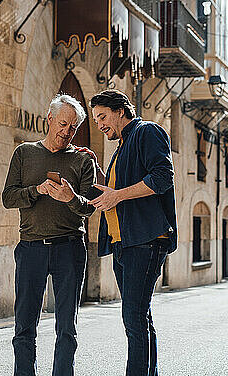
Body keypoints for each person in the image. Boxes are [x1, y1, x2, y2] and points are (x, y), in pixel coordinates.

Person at [2, 94, 96, 376]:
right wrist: (37, 191)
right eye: (63, 124)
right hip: (31, 248)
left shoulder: (82, 160)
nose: (66, 132)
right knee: (24, 325)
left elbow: (90, 208)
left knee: (67, 326)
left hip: (70, 248)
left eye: (73, 128)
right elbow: (8, 198)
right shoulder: (24, 153)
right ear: (50, 119)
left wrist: (70, 197)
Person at [88, 89, 177, 376]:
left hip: (146, 240)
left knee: (133, 318)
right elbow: (115, 188)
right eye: (96, 119)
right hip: (124, 242)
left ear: (120, 110)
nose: (99, 124)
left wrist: (117, 196)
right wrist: (96, 167)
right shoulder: (122, 146)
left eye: (102, 116)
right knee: (140, 316)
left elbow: (162, 178)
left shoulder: (147, 132)